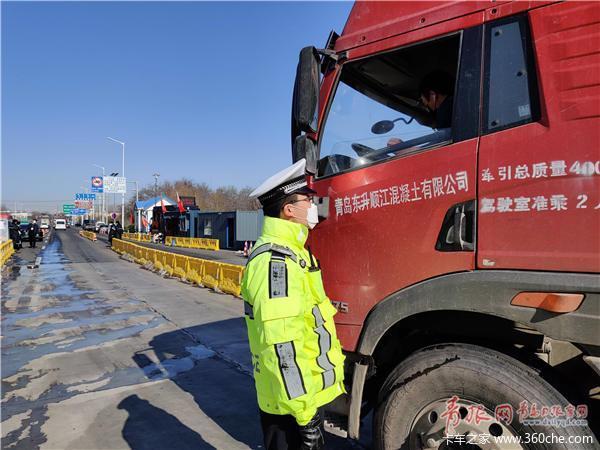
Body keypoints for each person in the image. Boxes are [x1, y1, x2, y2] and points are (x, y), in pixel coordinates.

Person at [241, 158, 345, 450]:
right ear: (289, 210)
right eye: (307, 200)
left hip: (299, 398)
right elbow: (282, 346)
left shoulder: (295, 254)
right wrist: (305, 416)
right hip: (290, 405)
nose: (313, 206)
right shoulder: (276, 264)